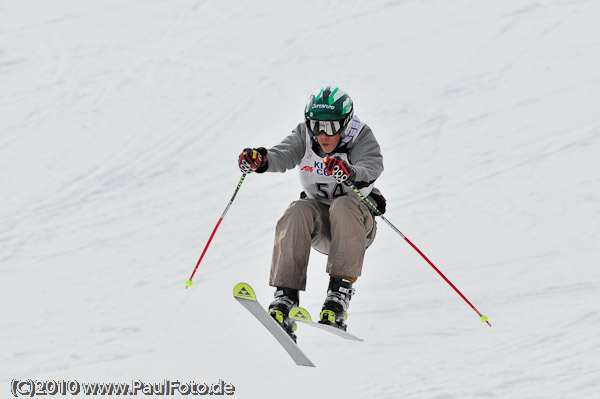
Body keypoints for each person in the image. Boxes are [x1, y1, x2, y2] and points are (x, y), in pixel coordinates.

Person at [238, 86, 385, 340]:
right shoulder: (306, 136)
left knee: (343, 205)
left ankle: (338, 295)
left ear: (346, 124)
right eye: (316, 125)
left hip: (356, 227)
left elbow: (372, 166)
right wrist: (261, 160)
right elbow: (282, 154)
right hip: (323, 228)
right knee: (298, 209)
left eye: (330, 127)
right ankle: (285, 298)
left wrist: (350, 171)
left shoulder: (361, 137)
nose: (322, 135)